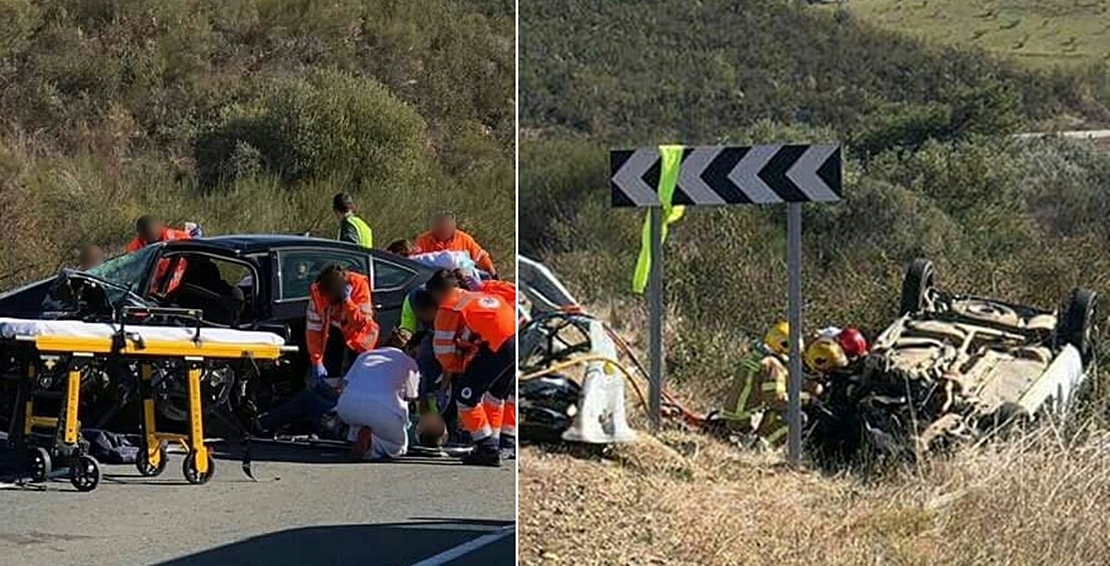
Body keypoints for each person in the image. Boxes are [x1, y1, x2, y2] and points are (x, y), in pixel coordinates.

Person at [433, 286, 517, 466]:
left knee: (465, 398)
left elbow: (443, 350)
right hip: (514, 339)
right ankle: (492, 444)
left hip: (498, 346)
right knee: (495, 396)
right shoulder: (477, 296)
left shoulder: (449, 306)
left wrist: (457, 369)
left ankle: (487, 447)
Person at [717, 321, 826, 448]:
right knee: (798, 417)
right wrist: (808, 399)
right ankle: (761, 447)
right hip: (746, 421)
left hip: (732, 416)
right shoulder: (772, 365)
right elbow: (776, 400)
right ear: (784, 346)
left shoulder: (756, 356)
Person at [335, 330, 427, 461]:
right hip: (382, 412)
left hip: (347, 408)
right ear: (408, 348)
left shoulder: (365, 355)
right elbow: (411, 396)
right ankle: (373, 445)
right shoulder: (409, 362)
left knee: (362, 420)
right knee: (398, 447)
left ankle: (355, 436)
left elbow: (343, 385)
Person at [306, 264, 380, 382]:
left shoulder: (359, 286)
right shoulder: (317, 292)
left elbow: (361, 324)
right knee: (330, 371)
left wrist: (348, 302)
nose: (328, 301)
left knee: (356, 376)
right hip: (333, 330)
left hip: (358, 337)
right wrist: (317, 360)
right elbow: (313, 329)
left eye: (330, 297)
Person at [412, 211, 496, 277]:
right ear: (434, 226)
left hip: (461, 283)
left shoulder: (464, 239)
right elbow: (413, 262)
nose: (444, 230)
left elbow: (481, 257)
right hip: (432, 283)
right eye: (441, 227)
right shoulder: (423, 240)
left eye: (447, 227)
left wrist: (494, 276)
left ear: (454, 225)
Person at [125, 215, 198, 253]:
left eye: (154, 231)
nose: (153, 235)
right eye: (148, 233)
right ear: (140, 233)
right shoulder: (134, 249)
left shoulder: (176, 238)